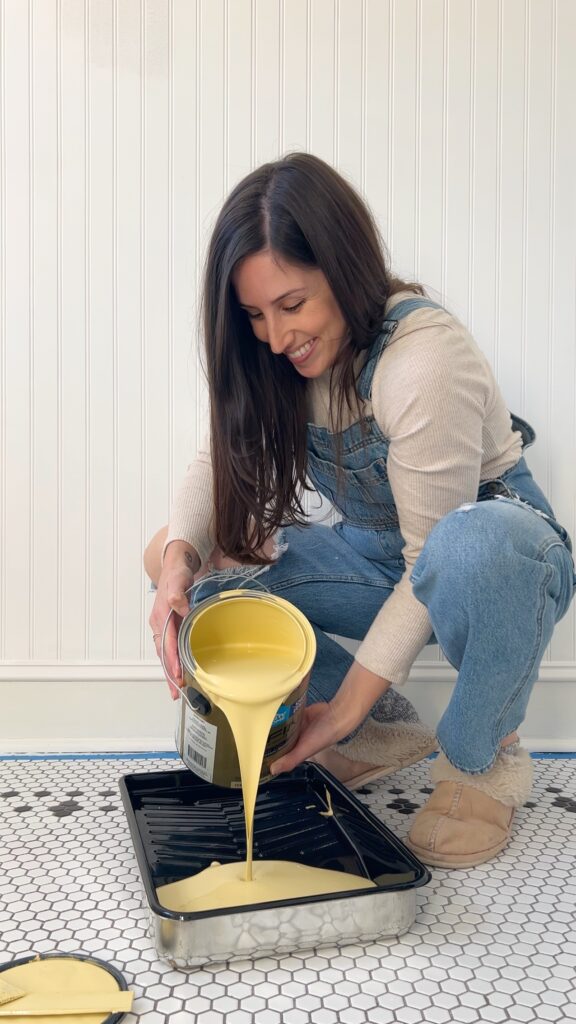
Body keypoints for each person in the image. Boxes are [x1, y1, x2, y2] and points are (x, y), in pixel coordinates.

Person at [144, 152, 575, 869]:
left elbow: (429, 558)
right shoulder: (279, 362)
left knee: (472, 545)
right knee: (190, 573)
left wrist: (333, 711)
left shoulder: (421, 361)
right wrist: (176, 566)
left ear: (344, 269)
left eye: (292, 305)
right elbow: (216, 465)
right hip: (376, 554)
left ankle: (484, 761)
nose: (277, 338)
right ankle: (378, 732)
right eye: (254, 315)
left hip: (493, 562)